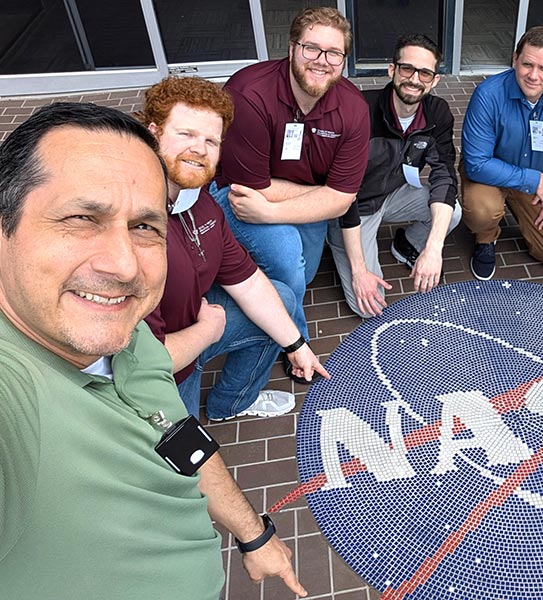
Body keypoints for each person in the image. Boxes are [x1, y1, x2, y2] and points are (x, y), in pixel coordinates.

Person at [0, 102, 307, 598]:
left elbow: (178, 434)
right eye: (80, 217)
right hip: (188, 345)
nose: (123, 265)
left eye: (145, 227)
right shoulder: (14, 399)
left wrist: (254, 534)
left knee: (284, 302)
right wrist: (208, 332)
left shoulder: (126, 329)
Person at [138, 77, 328, 421]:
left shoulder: (201, 202)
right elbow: (140, 363)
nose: (200, 148)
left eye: (211, 140)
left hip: (197, 326)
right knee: (186, 466)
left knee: (281, 298)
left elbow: (250, 281)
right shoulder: (131, 226)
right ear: (153, 132)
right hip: (160, 373)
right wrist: (206, 331)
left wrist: (296, 345)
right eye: (186, 134)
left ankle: (233, 403)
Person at [211, 7, 372, 356]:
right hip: (239, 192)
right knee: (288, 263)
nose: (321, 61)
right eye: (311, 48)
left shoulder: (354, 109)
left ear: (344, 60)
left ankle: (246, 284)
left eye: (334, 53)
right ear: (291, 48)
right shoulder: (248, 93)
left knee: (305, 271)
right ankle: (293, 345)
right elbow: (254, 190)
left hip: (278, 202)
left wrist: (330, 197)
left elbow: (342, 199)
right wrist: (329, 195)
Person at [327, 33, 461, 317]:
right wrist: (360, 270)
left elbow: (445, 176)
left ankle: (407, 245)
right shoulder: (360, 111)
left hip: (395, 193)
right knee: (369, 306)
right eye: (407, 68)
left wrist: (433, 249)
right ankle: (337, 242)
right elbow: (342, 191)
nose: (415, 79)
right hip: (353, 208)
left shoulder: (438, 114)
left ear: (435, 80)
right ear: (392, 70)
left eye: (425, 72)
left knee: (453, 211)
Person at [460, 26, 543, 280]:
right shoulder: (488, 95)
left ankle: (512, 203)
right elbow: (476, 163)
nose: (533, 75)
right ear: (515, 59)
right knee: (481, 212)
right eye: (527, 64)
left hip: (535, 173)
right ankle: (485, 239)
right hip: (488, 171)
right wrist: (535, 180)